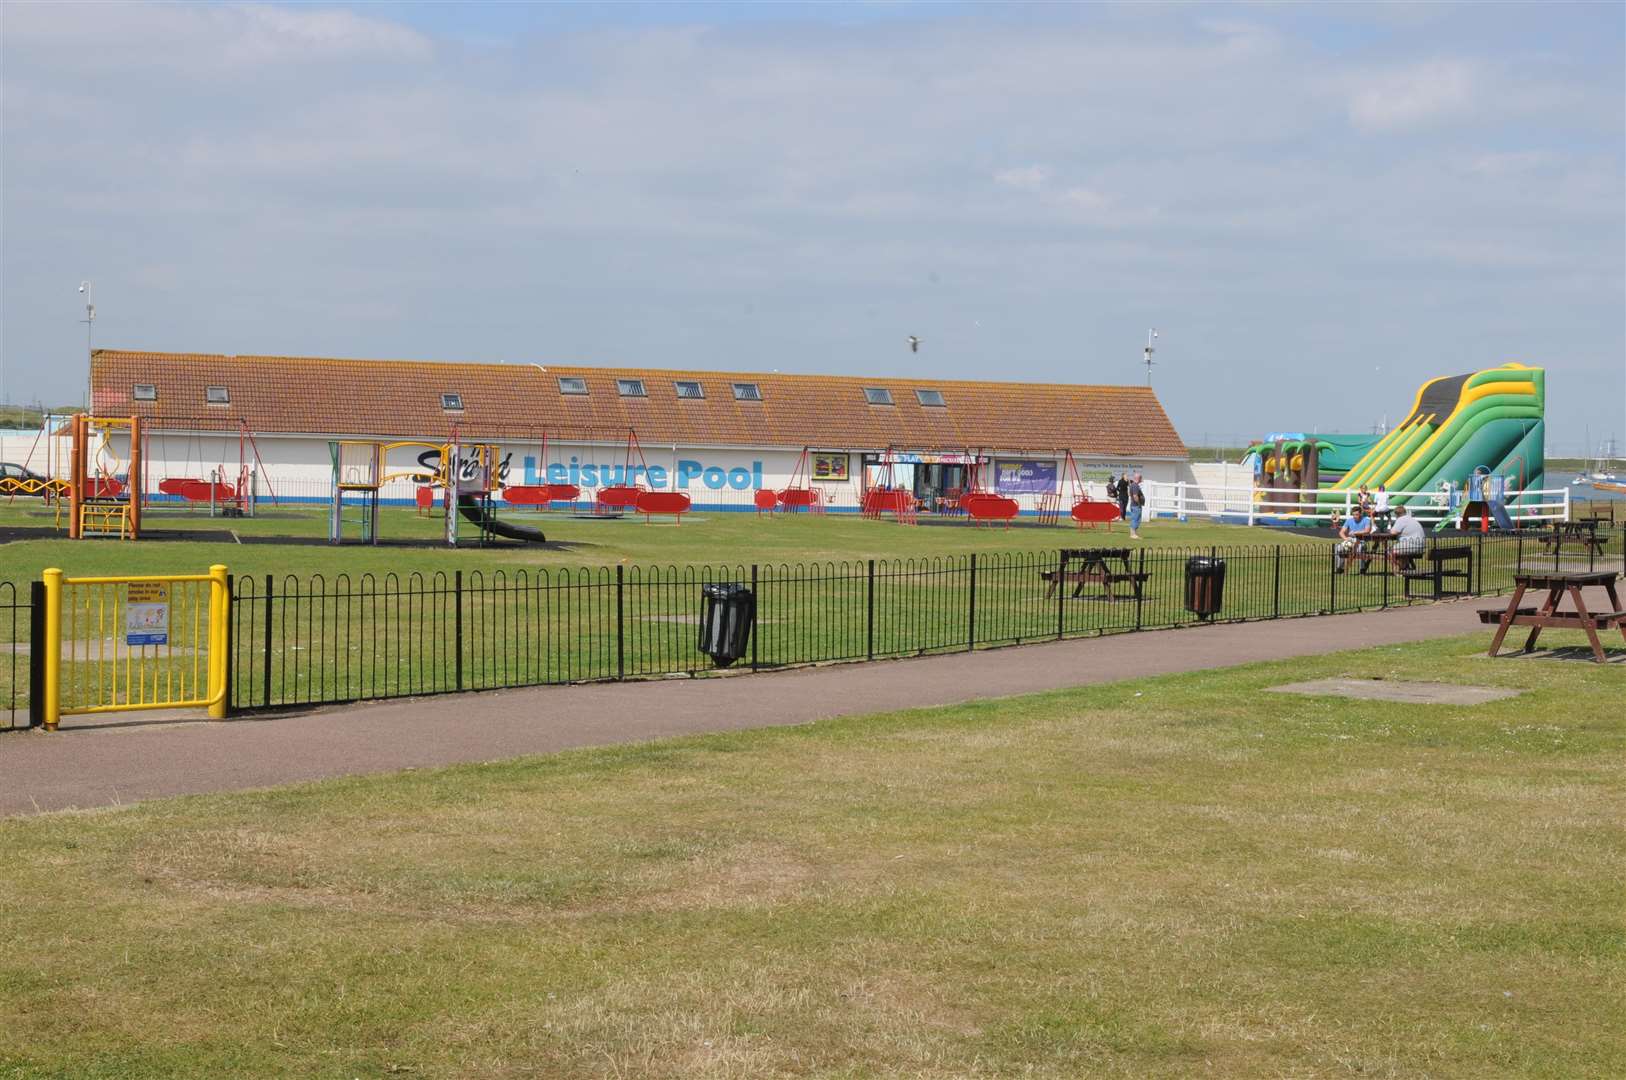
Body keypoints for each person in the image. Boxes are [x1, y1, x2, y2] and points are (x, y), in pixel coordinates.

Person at [1334, 504, 1372, 573]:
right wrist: (1346, 538)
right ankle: (1340, 568)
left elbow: (1367, 530)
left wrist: (1356, 532)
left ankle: (1362, 568)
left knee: (1360, 548)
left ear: (1361, 513)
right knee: (1338, 548)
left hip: (1361, 541)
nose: (1355, 516)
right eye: (1353, 514)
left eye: (1356, 514)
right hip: (1350, 540)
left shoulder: (1366, 520)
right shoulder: (1349, 520)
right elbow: (1341, 532)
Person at [1387, 504, 1425, 572]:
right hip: (1420, 546)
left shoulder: (1401, 519)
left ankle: (1398, 569)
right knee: (1401, 549)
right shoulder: (1411, 519)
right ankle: (1406, 567)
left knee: (1389, 551)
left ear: (1396, 514)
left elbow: (1393, 532)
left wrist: (1390, 529)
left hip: (1411, 546)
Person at [1126, 471, 1146, 539]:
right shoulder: (1135, 485)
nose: (1141, 479)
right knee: (1135, 519)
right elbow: (1135, 496)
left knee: (1136, 519)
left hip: (1134, 505)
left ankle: (1134, 534)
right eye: (1141, 478)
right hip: (1136, 505)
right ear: (1138, 478)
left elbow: (1129, 493)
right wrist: (1138, 503)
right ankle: (1133, 534)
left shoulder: (1133, 485)